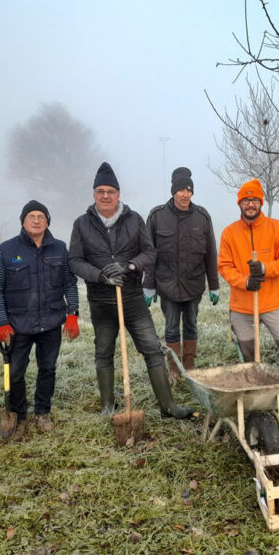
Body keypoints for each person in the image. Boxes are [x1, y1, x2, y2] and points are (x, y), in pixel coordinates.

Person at [68, 162, 192, 419]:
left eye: (110, 192)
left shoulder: (134, 219)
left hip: (132, 299)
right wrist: (100, 276)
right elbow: (75, 261)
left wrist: (129, 266)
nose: (105, 196)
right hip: (101, 302)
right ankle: (107, 406)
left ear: (118, 194)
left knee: (152, 348)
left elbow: (150, 252)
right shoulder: (82, 224)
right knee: (104, 351)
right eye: (100, 191)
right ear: (94, 194)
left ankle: (168, 406)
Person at [218, 178, 279, 423]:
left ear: (261, 202)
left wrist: (265, 268)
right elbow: (224, 266)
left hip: (274, 304)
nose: (250, 204)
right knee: (249, 359)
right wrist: (244, 281)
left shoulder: (277, 228)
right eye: (246, 200)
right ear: (240, 204)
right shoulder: (229, 232)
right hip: (242, 306)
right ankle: (254, 401)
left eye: (254, 200)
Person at [0, 200, 80, 441]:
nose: (37, 220)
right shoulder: (6, 250)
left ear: (47, 221)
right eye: (32, 216)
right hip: (18, 325)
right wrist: (1, 321)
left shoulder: (59, 248)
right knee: (15, 373)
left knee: (47, 368)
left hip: (50, 322)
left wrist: (73, 314)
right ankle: (19, 415)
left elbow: (70, 283)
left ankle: (42, 412)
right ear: (23, 221)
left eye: (41, 216)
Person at [143, 167, 220, 382]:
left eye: (189, 190)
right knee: (171, 328)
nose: (185, 194)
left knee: (191, 325)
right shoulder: (157, 216)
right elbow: (149, 252)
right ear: (173, 192)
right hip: (167, 284)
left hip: (193, 283)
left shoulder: (202, 217)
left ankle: (190, 366)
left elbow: (211, 253)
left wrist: (214, 285)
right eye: (180, 190)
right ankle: (175, 369)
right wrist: (148, 284)